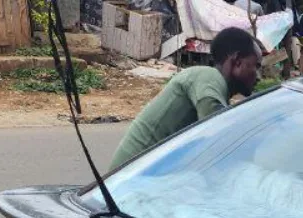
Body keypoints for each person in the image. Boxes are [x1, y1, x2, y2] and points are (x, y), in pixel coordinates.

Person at [110, 27, 262, 170]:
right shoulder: (208, 77)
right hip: (129, 180)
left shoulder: (216, 88)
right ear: (237, 61)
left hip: (140, 175)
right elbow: (219, 137)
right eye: (256, 65)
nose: (259, 77)